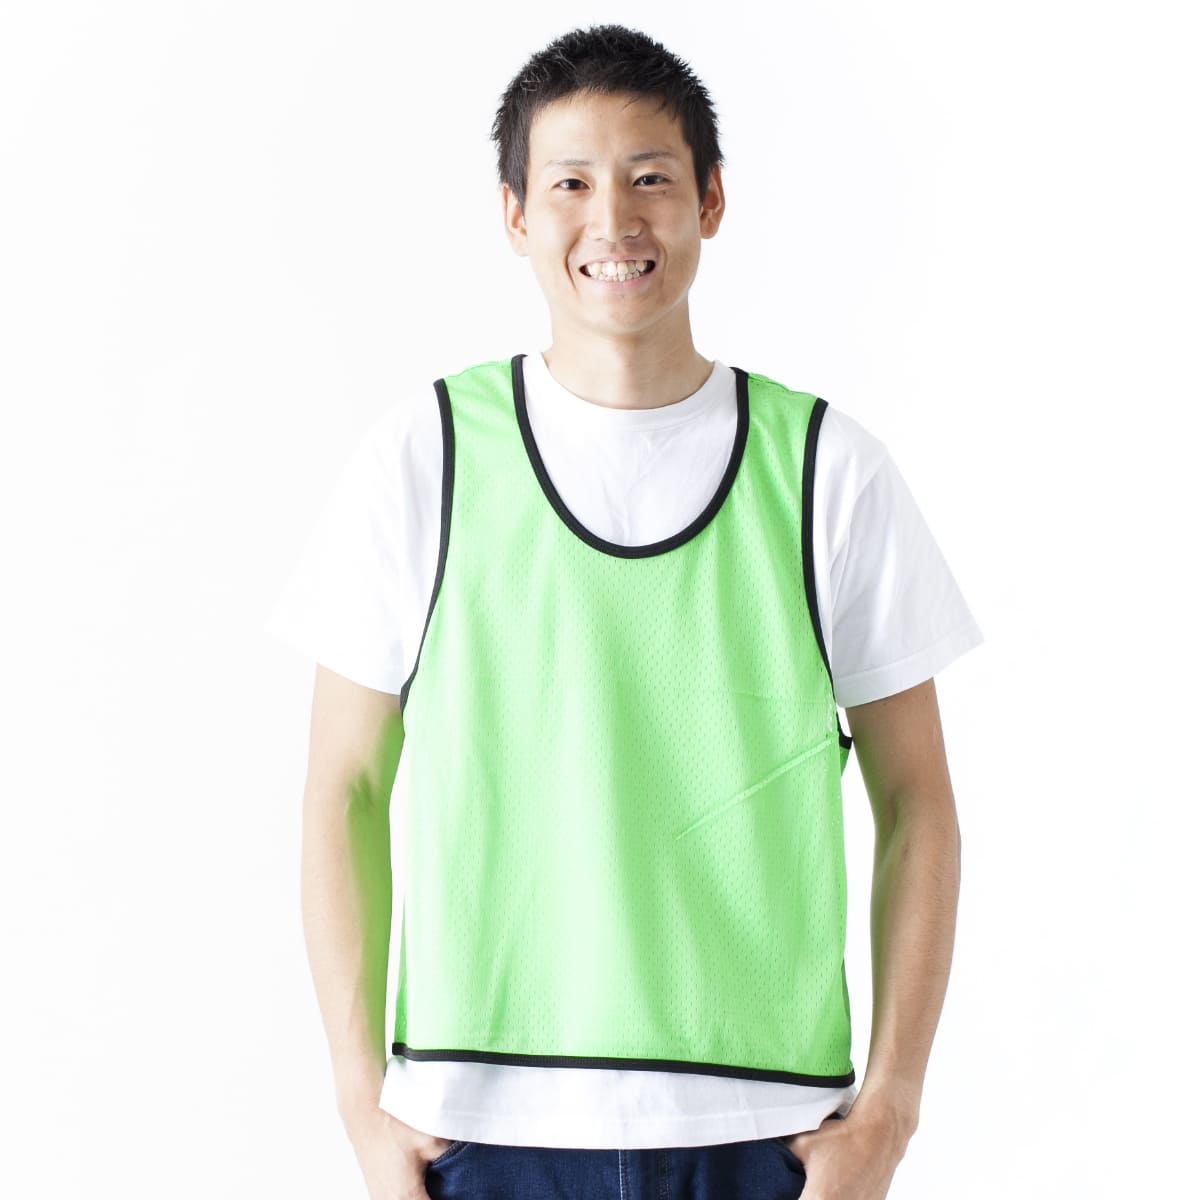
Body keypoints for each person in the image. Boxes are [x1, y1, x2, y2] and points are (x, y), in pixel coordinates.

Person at [266, 22, 982, 1200]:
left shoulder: (825, 472)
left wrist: (891, 1112)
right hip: (478, 1124)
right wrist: (358, 1100)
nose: (614, 220)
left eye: (650, 178)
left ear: (710, 200)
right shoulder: (425, 458)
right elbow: (341, 788)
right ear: (514, 215)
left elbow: (920, 805)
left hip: (765, 1125)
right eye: (571, 184)